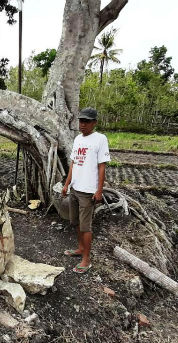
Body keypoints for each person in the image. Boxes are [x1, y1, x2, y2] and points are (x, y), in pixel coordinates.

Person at [61, 107, 110, 273]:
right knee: (76, 222)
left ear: (94, 123)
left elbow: (102, 167)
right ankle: (80, 248)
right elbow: (73, 164)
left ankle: (86, 259)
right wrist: (67, 184)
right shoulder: (78, 140)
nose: (82, 124)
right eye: (81, 121)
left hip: (88, 191)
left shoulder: (100, 139)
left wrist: (99, 191)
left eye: (86, 121)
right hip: (75, 188)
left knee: (86, 226)